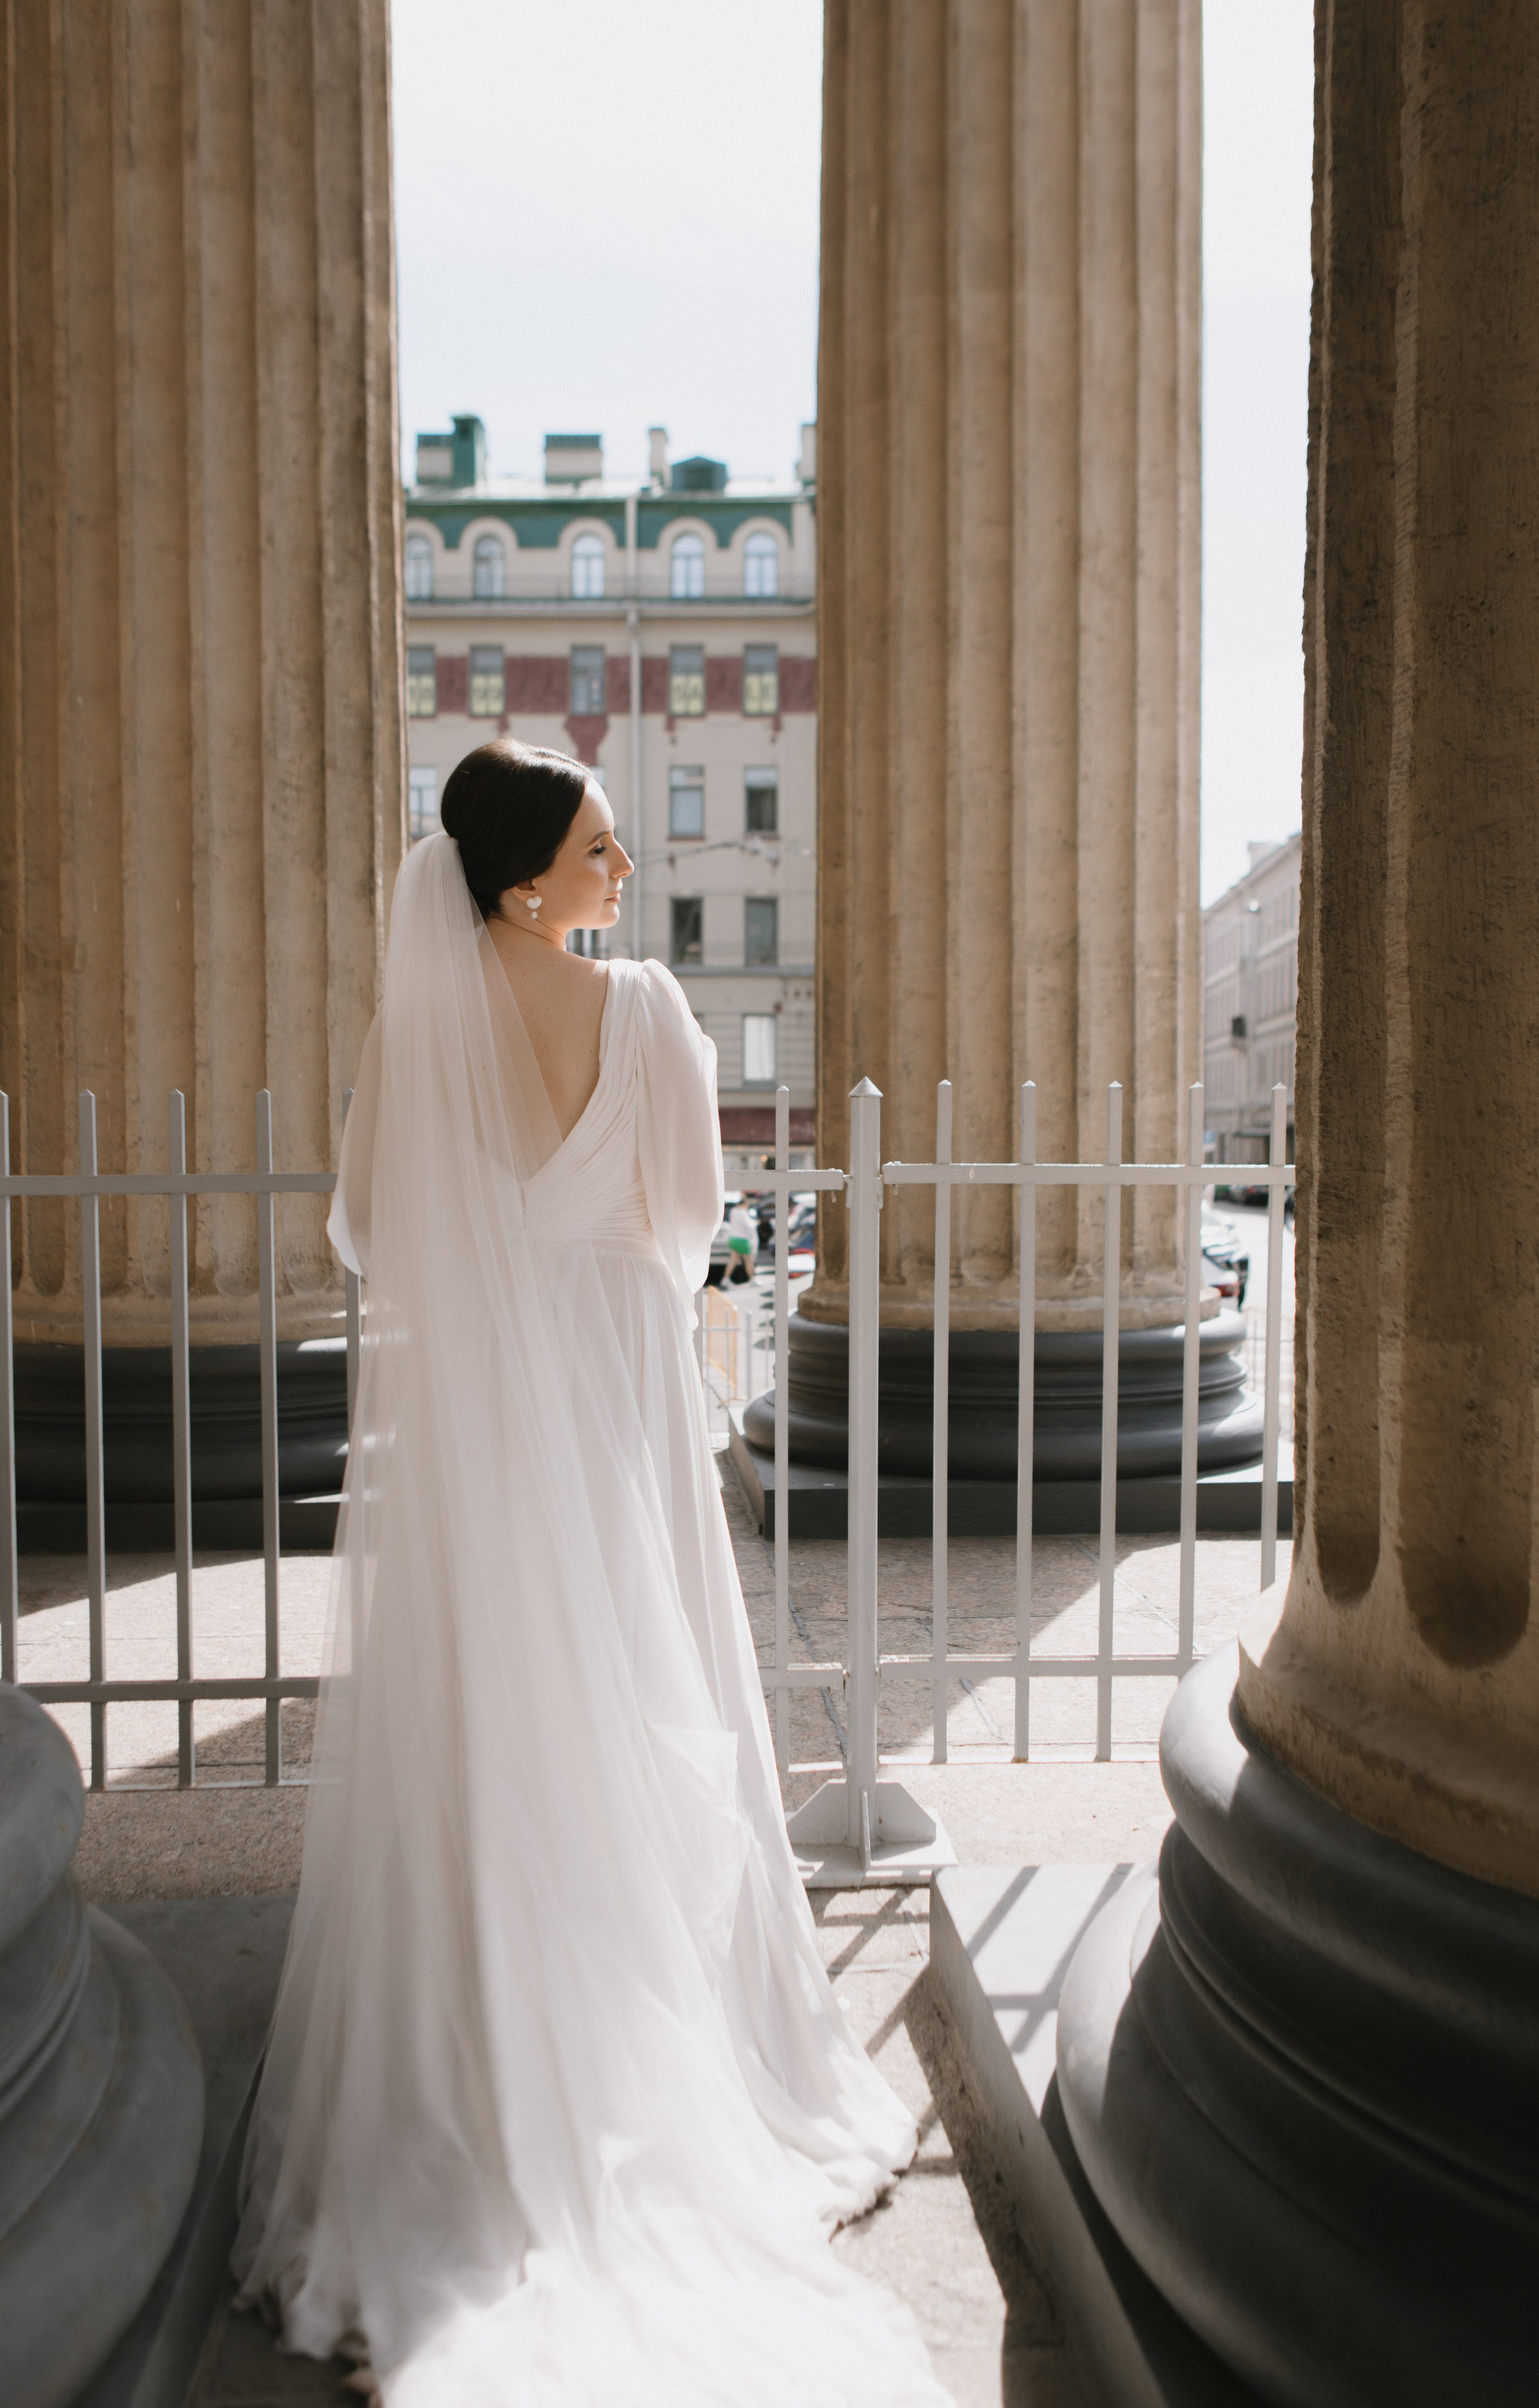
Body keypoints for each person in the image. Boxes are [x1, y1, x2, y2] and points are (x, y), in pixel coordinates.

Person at [231, 742, 948, 2407]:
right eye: (600, 852)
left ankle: (487, 2033)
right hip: (616, 1391)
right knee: (637, 1683)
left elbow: (358, 1229)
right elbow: (690, 1220)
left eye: (621, 849)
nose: (624, 875)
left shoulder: (420, 1025)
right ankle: (645, 2049)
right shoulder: (649, 1018)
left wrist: (492, 1246)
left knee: (497, 1697)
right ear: (522, 879)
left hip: (493, 1416)